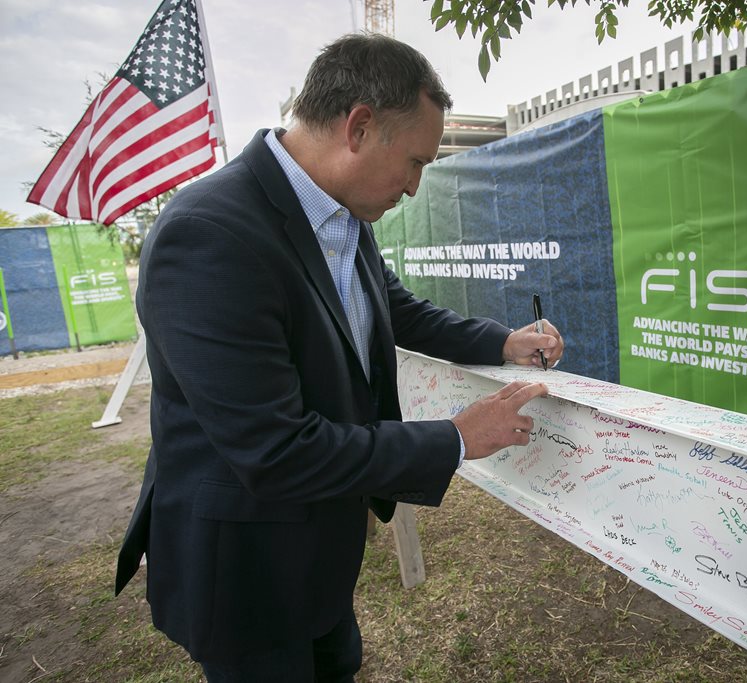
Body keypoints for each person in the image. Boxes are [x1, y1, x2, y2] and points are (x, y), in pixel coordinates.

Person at [114, 33, 564, 682]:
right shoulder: (209, 234)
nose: (413, 187)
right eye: (413, 162)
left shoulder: (340, 214)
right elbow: (275, 451)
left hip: (319, 550)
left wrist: (501, 341)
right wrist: (455, 439)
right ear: (359, 125)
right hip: (247, 572)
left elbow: (391, 308)